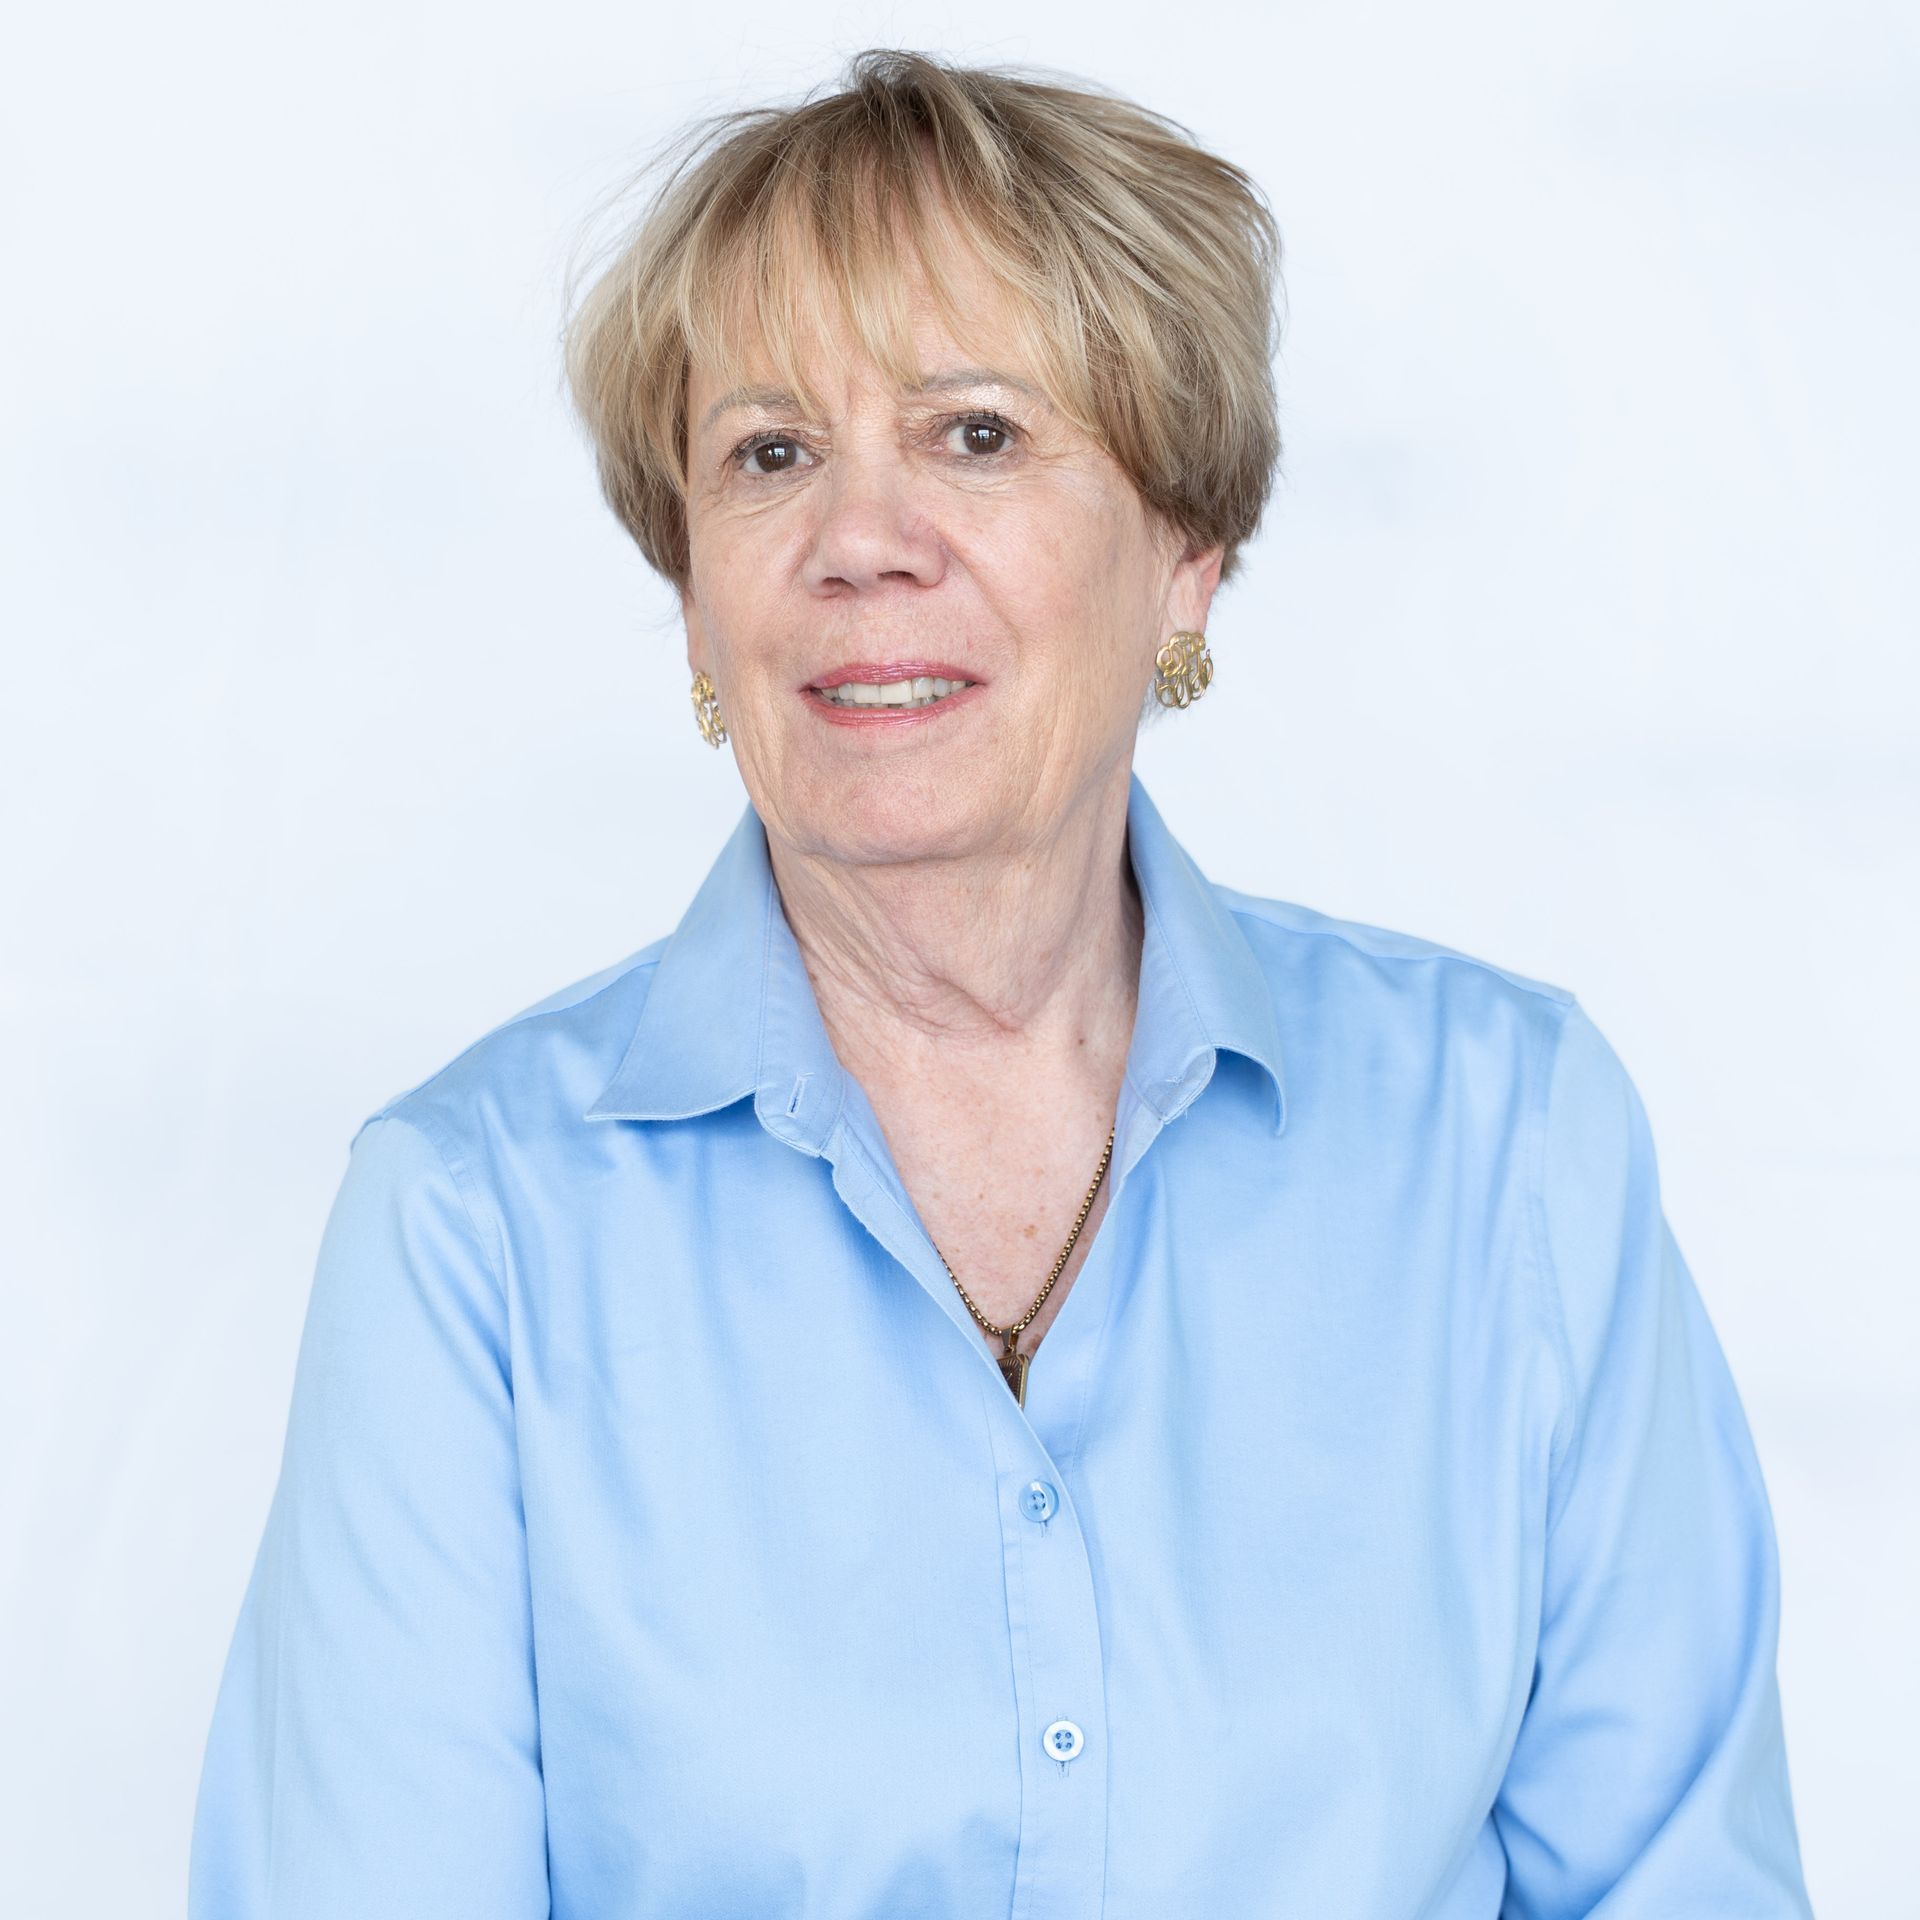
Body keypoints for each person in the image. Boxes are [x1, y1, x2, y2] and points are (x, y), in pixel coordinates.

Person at [187, 47, 1815, 1919]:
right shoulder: (469, 1227)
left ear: (1188, 551)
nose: (858, 542)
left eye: (976, 432)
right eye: (770, 453)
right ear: (697, 594)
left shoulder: (1510, 1139)